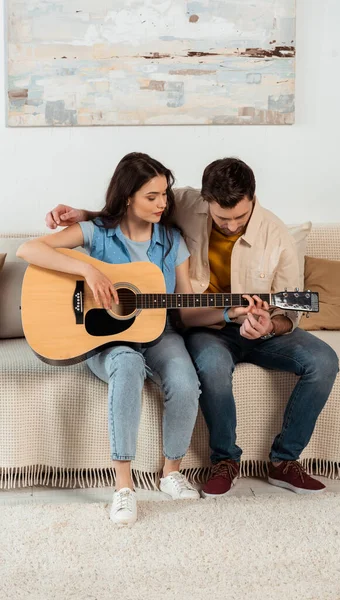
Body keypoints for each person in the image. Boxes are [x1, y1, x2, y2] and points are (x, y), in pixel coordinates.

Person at [45, 157, 339, 498]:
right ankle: (225, 461)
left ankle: (284, 461)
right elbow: (132, 205)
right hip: (207, 324)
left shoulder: (277, 237)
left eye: (240, 217)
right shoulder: (180, 202)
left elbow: (289, 316)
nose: (230, 226)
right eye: (221, 218)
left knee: (324, 361)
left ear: (253, 200)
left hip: (259, 324)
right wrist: (85, 217)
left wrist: (268, 324)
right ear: (206, 201)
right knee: (211, 367)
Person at [18, 152, 205, 526]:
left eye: (164, 195)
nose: (162, 204)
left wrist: (233, 311)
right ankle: (124, 487)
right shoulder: (96, 231)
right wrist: (86, 269)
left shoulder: (172, 241)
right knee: (127, 364)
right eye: (151, 196)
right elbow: (29, 249)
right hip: (103, 340)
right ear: (127, 197)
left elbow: (187, 308)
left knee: (186, 382)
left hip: (159, 332)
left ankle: (171, 472)